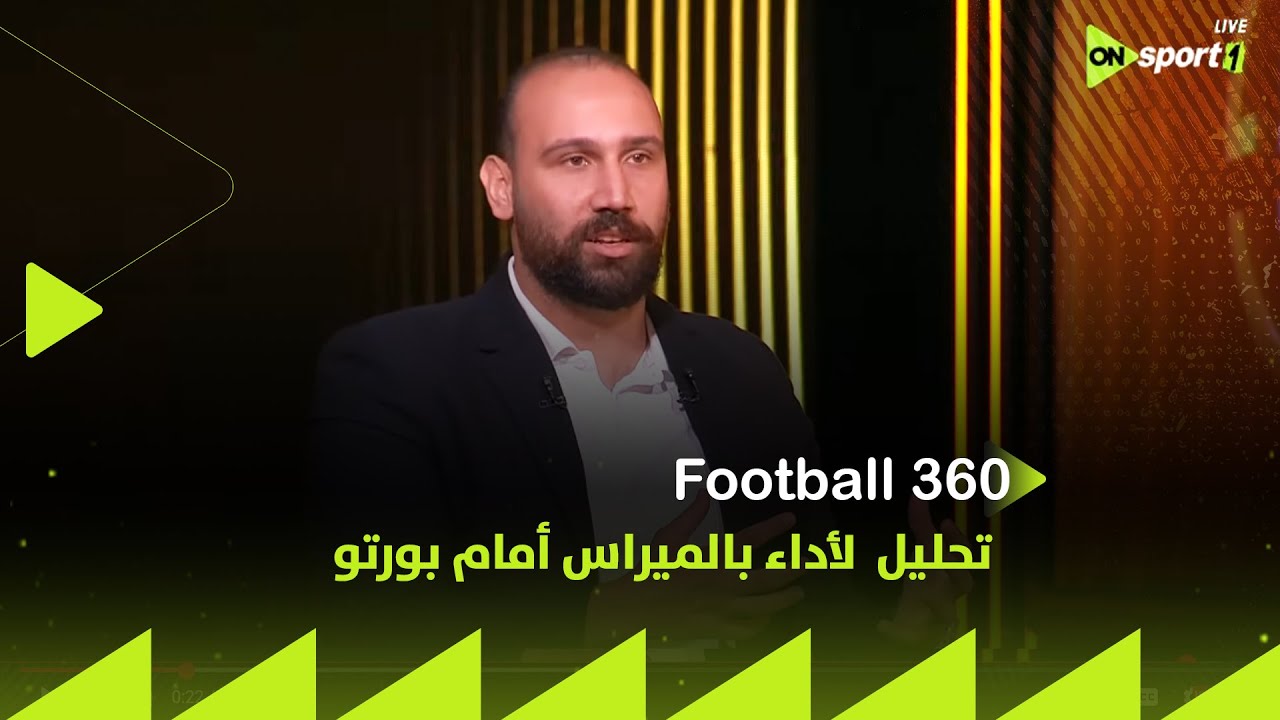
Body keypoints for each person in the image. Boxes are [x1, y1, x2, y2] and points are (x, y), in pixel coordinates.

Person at [309, 46, 968, 658]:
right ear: (500, 187)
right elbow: (378, 643)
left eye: (640, 157)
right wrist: (604, 625)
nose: (616, 196)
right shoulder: (392, 373)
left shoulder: (741, 368)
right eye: (575, 160)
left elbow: (807, 622)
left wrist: (899, 638)